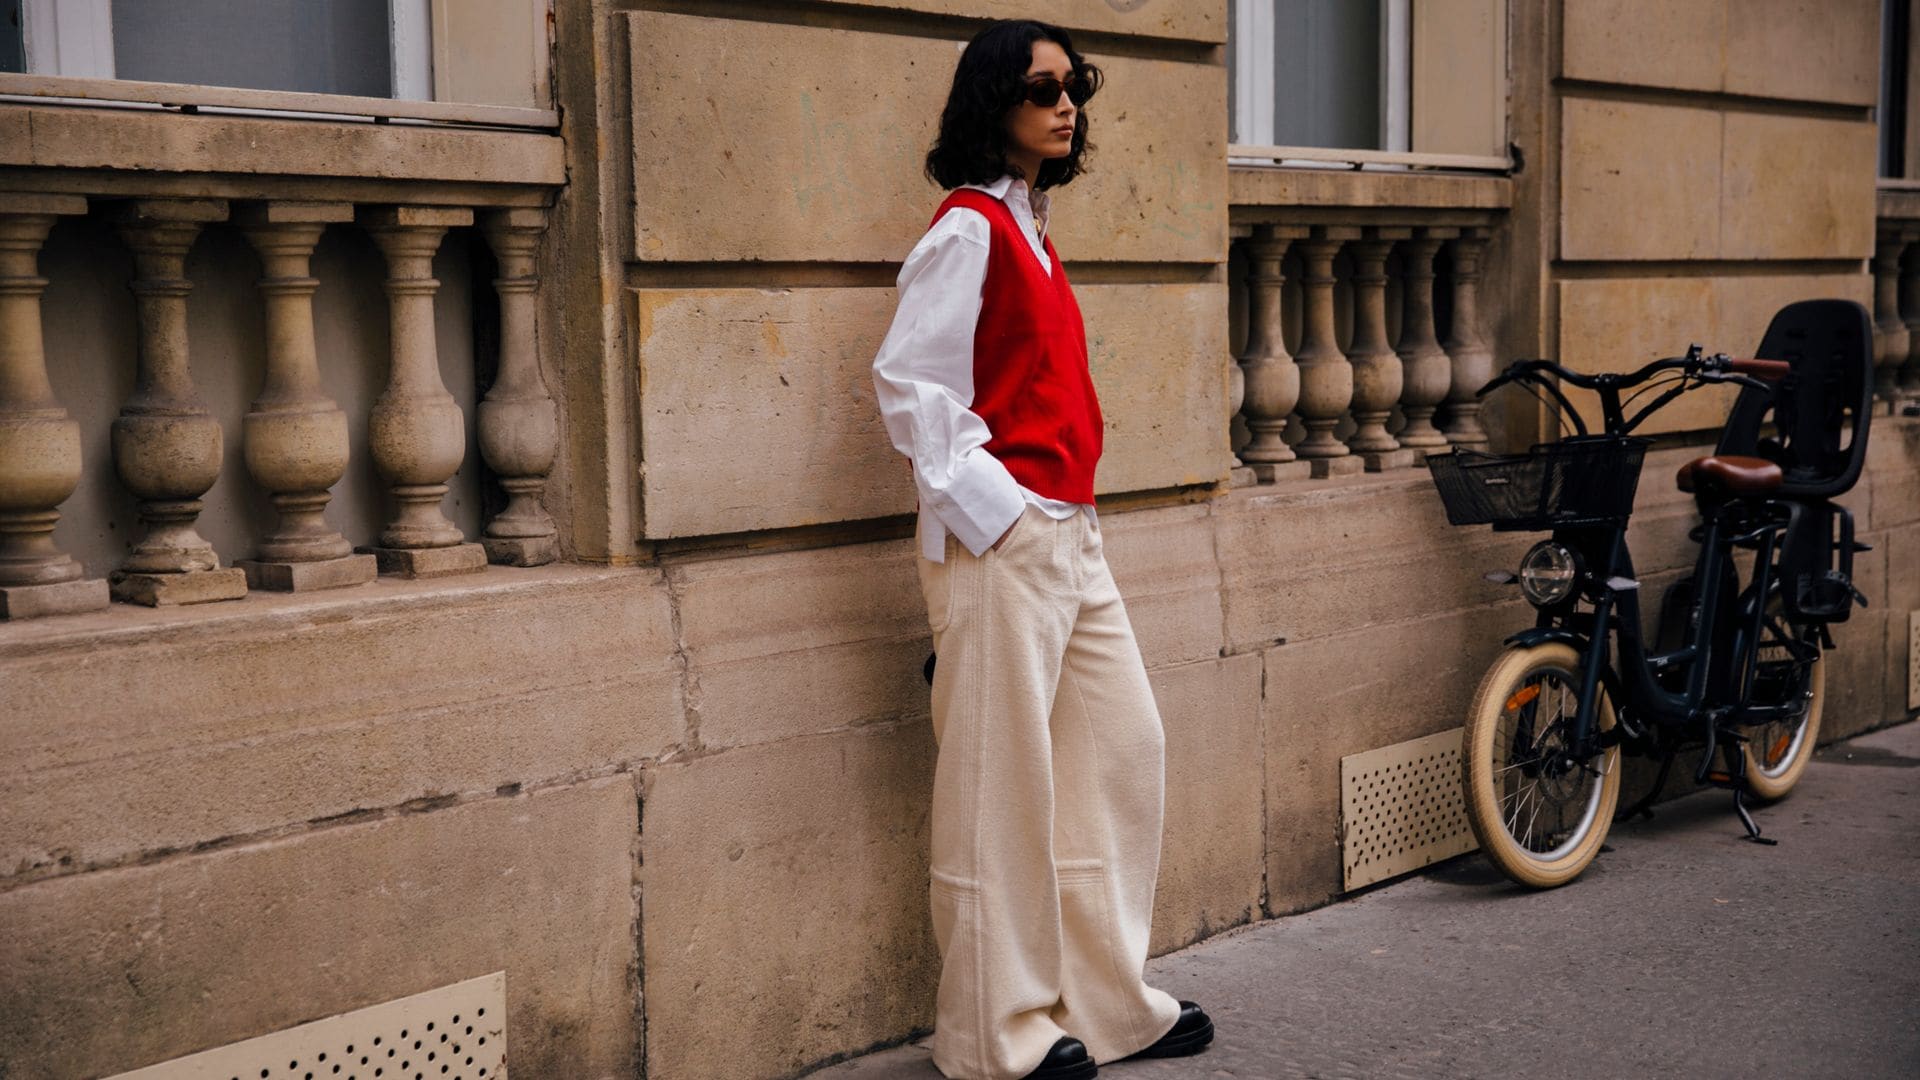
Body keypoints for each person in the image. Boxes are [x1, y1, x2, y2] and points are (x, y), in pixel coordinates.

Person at [870, 19, 1213, 1080]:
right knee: (999, 791)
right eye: (1041, 90)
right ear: (993, 108)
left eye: (1074, 87)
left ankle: (1107, 1006)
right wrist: (999, 510)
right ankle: (992, 1037)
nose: (1066, 106)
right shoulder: (969, 229)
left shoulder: (1032, 226)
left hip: (1069, 533)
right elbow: (910, 387)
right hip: (1005, 542)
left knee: (1120, 751)